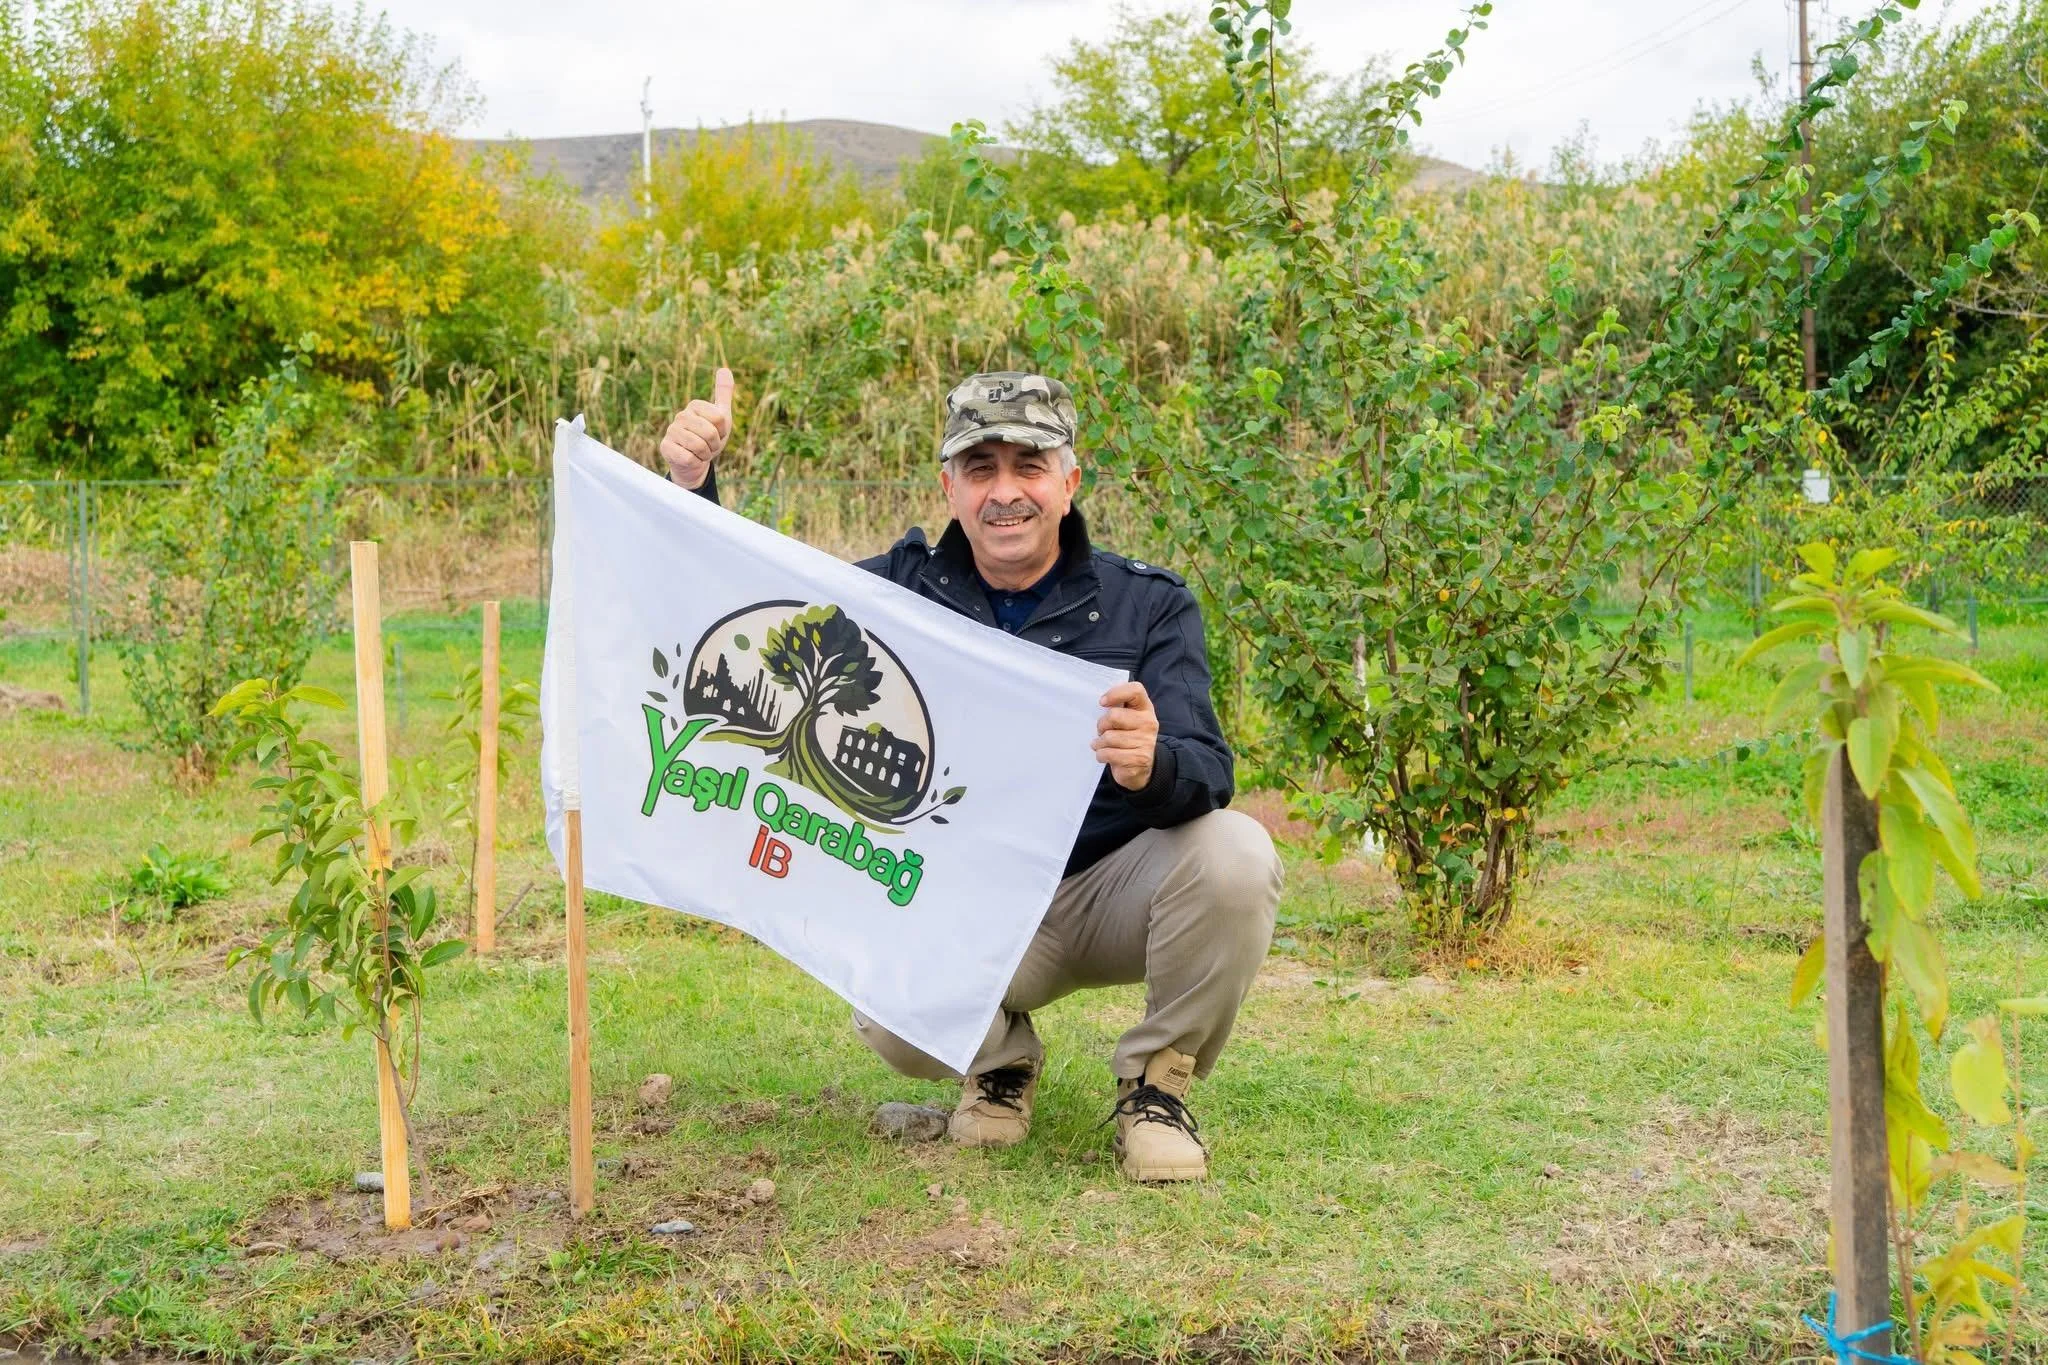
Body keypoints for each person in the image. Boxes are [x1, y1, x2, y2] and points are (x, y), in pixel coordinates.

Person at [657, 367, 1282, 1183]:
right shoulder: (896, 593)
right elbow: (753, 608)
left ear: (1069, 481)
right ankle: (998, 1062)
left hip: (1108, 893)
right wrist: (694, 485)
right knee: (885, 1005)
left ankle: (1156, 1088)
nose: (1005, 493)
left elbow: (1208, 772)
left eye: (1028, 466)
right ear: (948, 486)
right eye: (980, 469)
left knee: (1237, 853)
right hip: (961, 903)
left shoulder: (1149, 607)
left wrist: (1152, 764)